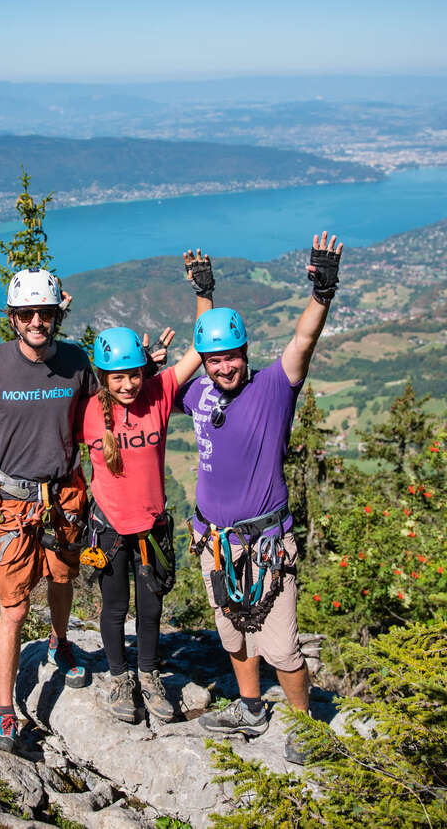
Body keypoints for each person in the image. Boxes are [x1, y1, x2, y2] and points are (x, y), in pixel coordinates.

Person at [176, 231, 342, 764]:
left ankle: (306, 726)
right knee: (232, 633)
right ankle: (250, 707)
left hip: (267, 542)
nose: (223, 367)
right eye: (214, 360)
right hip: (213, 542)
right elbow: (203, 337)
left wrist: (322, 292)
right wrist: (204, 290)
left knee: (281, 644)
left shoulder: (272, 388)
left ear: (247, 355)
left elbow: (302, 341)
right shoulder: (195, 389)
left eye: (232, 357)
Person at [78, 250, 214, 723]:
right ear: (103, 378)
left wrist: (203, 293)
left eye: (135, 373)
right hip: (111, 527)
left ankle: (149, 674)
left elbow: (199, 350)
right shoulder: (89, 410)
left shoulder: (158, 393)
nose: (129, 383)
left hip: (152, 524)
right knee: (115, 609)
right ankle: (120, 679)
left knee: (151, 609)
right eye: (119, 376)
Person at [0, 268, 96, 752]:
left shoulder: (78, 362)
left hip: (64, 497)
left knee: (63, 580)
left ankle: (60, 643)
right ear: (13, 317)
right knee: (14, 607)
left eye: (45, 312)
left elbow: (105, 415)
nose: (37, 321)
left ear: (58, 313)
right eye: (27, 313)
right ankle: (4, 711)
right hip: (13, 503)